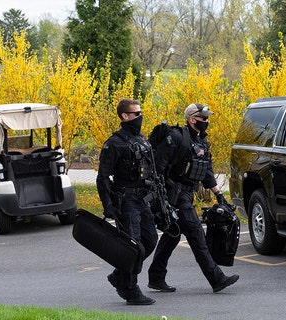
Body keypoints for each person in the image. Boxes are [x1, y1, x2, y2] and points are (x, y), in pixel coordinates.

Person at [147, 103, 239, 293]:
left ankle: (156, 277)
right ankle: (217, 278)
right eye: (203, 118)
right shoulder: (176, 137)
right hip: (175, 196)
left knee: (172, 235)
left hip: (187, 195)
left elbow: (206, 171)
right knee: (197, 235)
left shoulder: (202, 142)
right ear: (192, 119)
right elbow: (158, 167)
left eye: (207, 118)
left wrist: (219, 195)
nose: (207, 121)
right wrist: (162, 198)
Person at [96, 98, 157, 305]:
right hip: (126, 200)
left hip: (142, 198)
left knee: (150, 241)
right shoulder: (114, 143)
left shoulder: (141, 139)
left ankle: (119, 274)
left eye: (140, 113)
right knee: (133, 245)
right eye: (136, 114)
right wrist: (108, 205)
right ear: (124, 116)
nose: (140, 117)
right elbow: (102, 177)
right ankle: (130, 290)